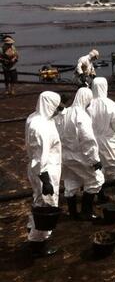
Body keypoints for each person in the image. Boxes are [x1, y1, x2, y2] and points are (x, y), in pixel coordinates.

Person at [25, 91, 62, 257]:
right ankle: (38, 243)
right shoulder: (42, 128)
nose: (56, 109)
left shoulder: (34, 117)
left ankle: (33, 227)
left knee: (39, 200)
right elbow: (42, 157)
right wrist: (46, 180)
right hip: (45, 171)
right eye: (54, 105)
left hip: (37, 169)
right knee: (47, 205)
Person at [58, 87, 104, 220]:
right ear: (87, 99)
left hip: (66, 156)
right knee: (96, 180)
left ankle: (73, 213)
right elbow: (87, 139)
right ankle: (86, 211)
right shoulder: (81, 115)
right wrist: (94, 160)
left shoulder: (66, 112)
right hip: (79, 156)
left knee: (71, 182)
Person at [88, 77, 115, 201]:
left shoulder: (87, 106)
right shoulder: (111, 104)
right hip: (108, 139)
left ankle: (100, 196)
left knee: (97, 168)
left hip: (92, 140)